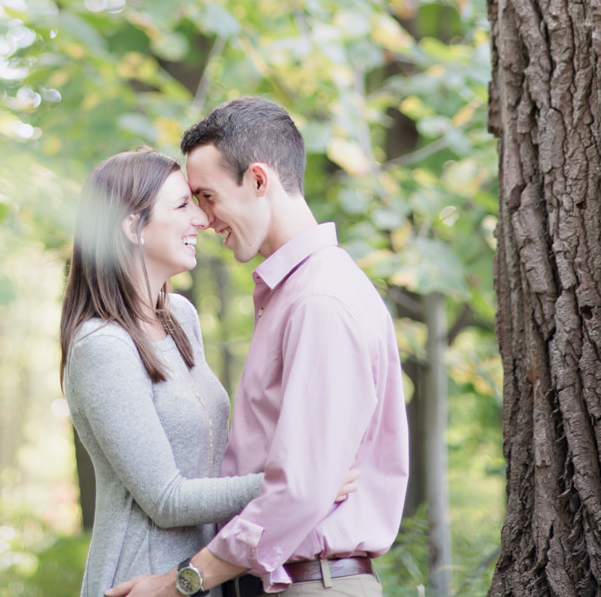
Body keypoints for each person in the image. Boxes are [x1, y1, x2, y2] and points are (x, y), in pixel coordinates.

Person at [105, 97, 409, 597]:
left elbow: (301, 488)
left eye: (207, 196)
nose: (203, 219)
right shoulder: (294, 295)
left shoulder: (319, 301)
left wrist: (182, 582)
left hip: (314, 585)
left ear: (259, 181)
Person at [61, 147, 357, 597]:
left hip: (199, 579)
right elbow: (167, 500)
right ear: (131, 227)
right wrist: (300, 481)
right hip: (139, 581)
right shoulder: (103, 347)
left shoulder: (180, 315)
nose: (201, 219)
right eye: (182, 205)